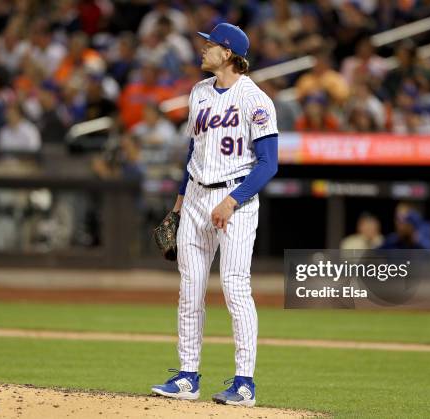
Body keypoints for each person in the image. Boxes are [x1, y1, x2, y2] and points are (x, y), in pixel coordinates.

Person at [151, 23, 278, 408]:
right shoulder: (199, 93)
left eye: (210, 44)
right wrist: (177, 204)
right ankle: (187, 376)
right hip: (194, 198)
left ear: (228, 53)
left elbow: (268, 163)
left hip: (234, 199)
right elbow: (194, 152)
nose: (203, 48)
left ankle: (244, 384)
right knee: (189, 290)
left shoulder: (255, 100)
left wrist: (233, 200)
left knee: (235, 288)